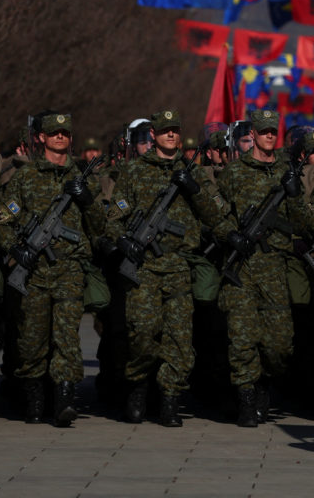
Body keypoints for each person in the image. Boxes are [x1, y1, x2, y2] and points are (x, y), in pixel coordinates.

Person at [106, 109, 226, 427]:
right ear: (154, 136)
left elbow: (216, 217)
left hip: (179, 267)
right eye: (165, 131)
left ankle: (170, 399)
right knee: (143, 333)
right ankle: (137, 386)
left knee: (179, 339)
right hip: (144, 266)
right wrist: (124, 242)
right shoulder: (134, 171)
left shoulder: (195, 173)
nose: (171, 135)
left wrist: (194, 190)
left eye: (175, 130)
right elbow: (113, 217)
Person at [0, 112, 108, 426]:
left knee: (66, 338)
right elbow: (3, 218)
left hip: (69, 269)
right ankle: (35, 399)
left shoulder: (82, 177)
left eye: (64, 132)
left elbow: (101, 227)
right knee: (32, 338)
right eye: (54, 132)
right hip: (33, 271)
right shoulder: (26, 176)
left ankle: (63, 399)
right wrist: (16, 249)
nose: (60, 137)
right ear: (41, 138)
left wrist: (87, 200)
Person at [214, 109, 310, 427]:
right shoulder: (233, 173)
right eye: (263, 131)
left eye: (273, 131)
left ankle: (264, 384)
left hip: (275, 265)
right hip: (241, 266)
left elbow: (302, 220)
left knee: (279, 343)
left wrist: (294, 194)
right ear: (252, 134)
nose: (269, 136)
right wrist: (230, 233)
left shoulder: (287, 171)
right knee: (242, 339)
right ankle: (246, 399)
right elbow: (216, 212)